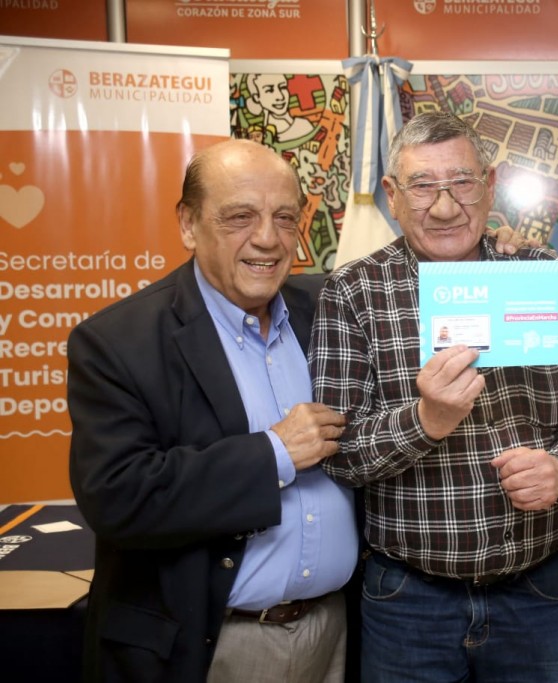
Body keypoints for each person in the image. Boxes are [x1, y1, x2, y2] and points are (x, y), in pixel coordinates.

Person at [309, 112, 558, 682]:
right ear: (393, 195)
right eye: (423, 186)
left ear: (490, 185)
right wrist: (426, 420)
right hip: (408, 601)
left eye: (462, 183)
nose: (445, 207)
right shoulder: (353, 291)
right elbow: (339, 452)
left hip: (539, 592)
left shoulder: (544, 276)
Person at [67, 139, 358, 682]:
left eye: (285, 218)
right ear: (188, 223)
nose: (267, 238)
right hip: (211, 647)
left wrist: (496, 255)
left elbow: (420, 296)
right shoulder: (117, 342)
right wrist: (273, 453)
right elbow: (118, 496)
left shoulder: (332, 310)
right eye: (240, 217)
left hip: (336, 636)